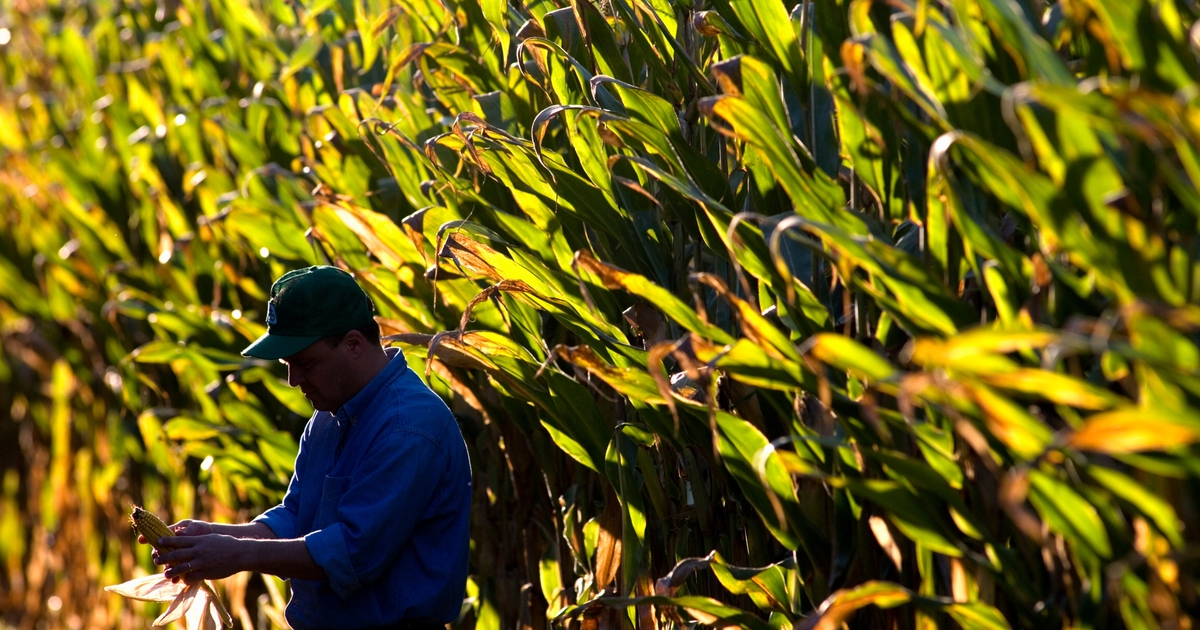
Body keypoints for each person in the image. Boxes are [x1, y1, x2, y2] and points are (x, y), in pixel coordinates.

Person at [148, 265, 472, 630]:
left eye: (306, 363)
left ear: (353, 344)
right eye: (288, 365)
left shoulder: (408, 428)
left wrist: (238, 553)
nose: (293, 380)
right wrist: (214, 536)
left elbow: (353, 553)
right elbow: (296, 517)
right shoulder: (330, 415)